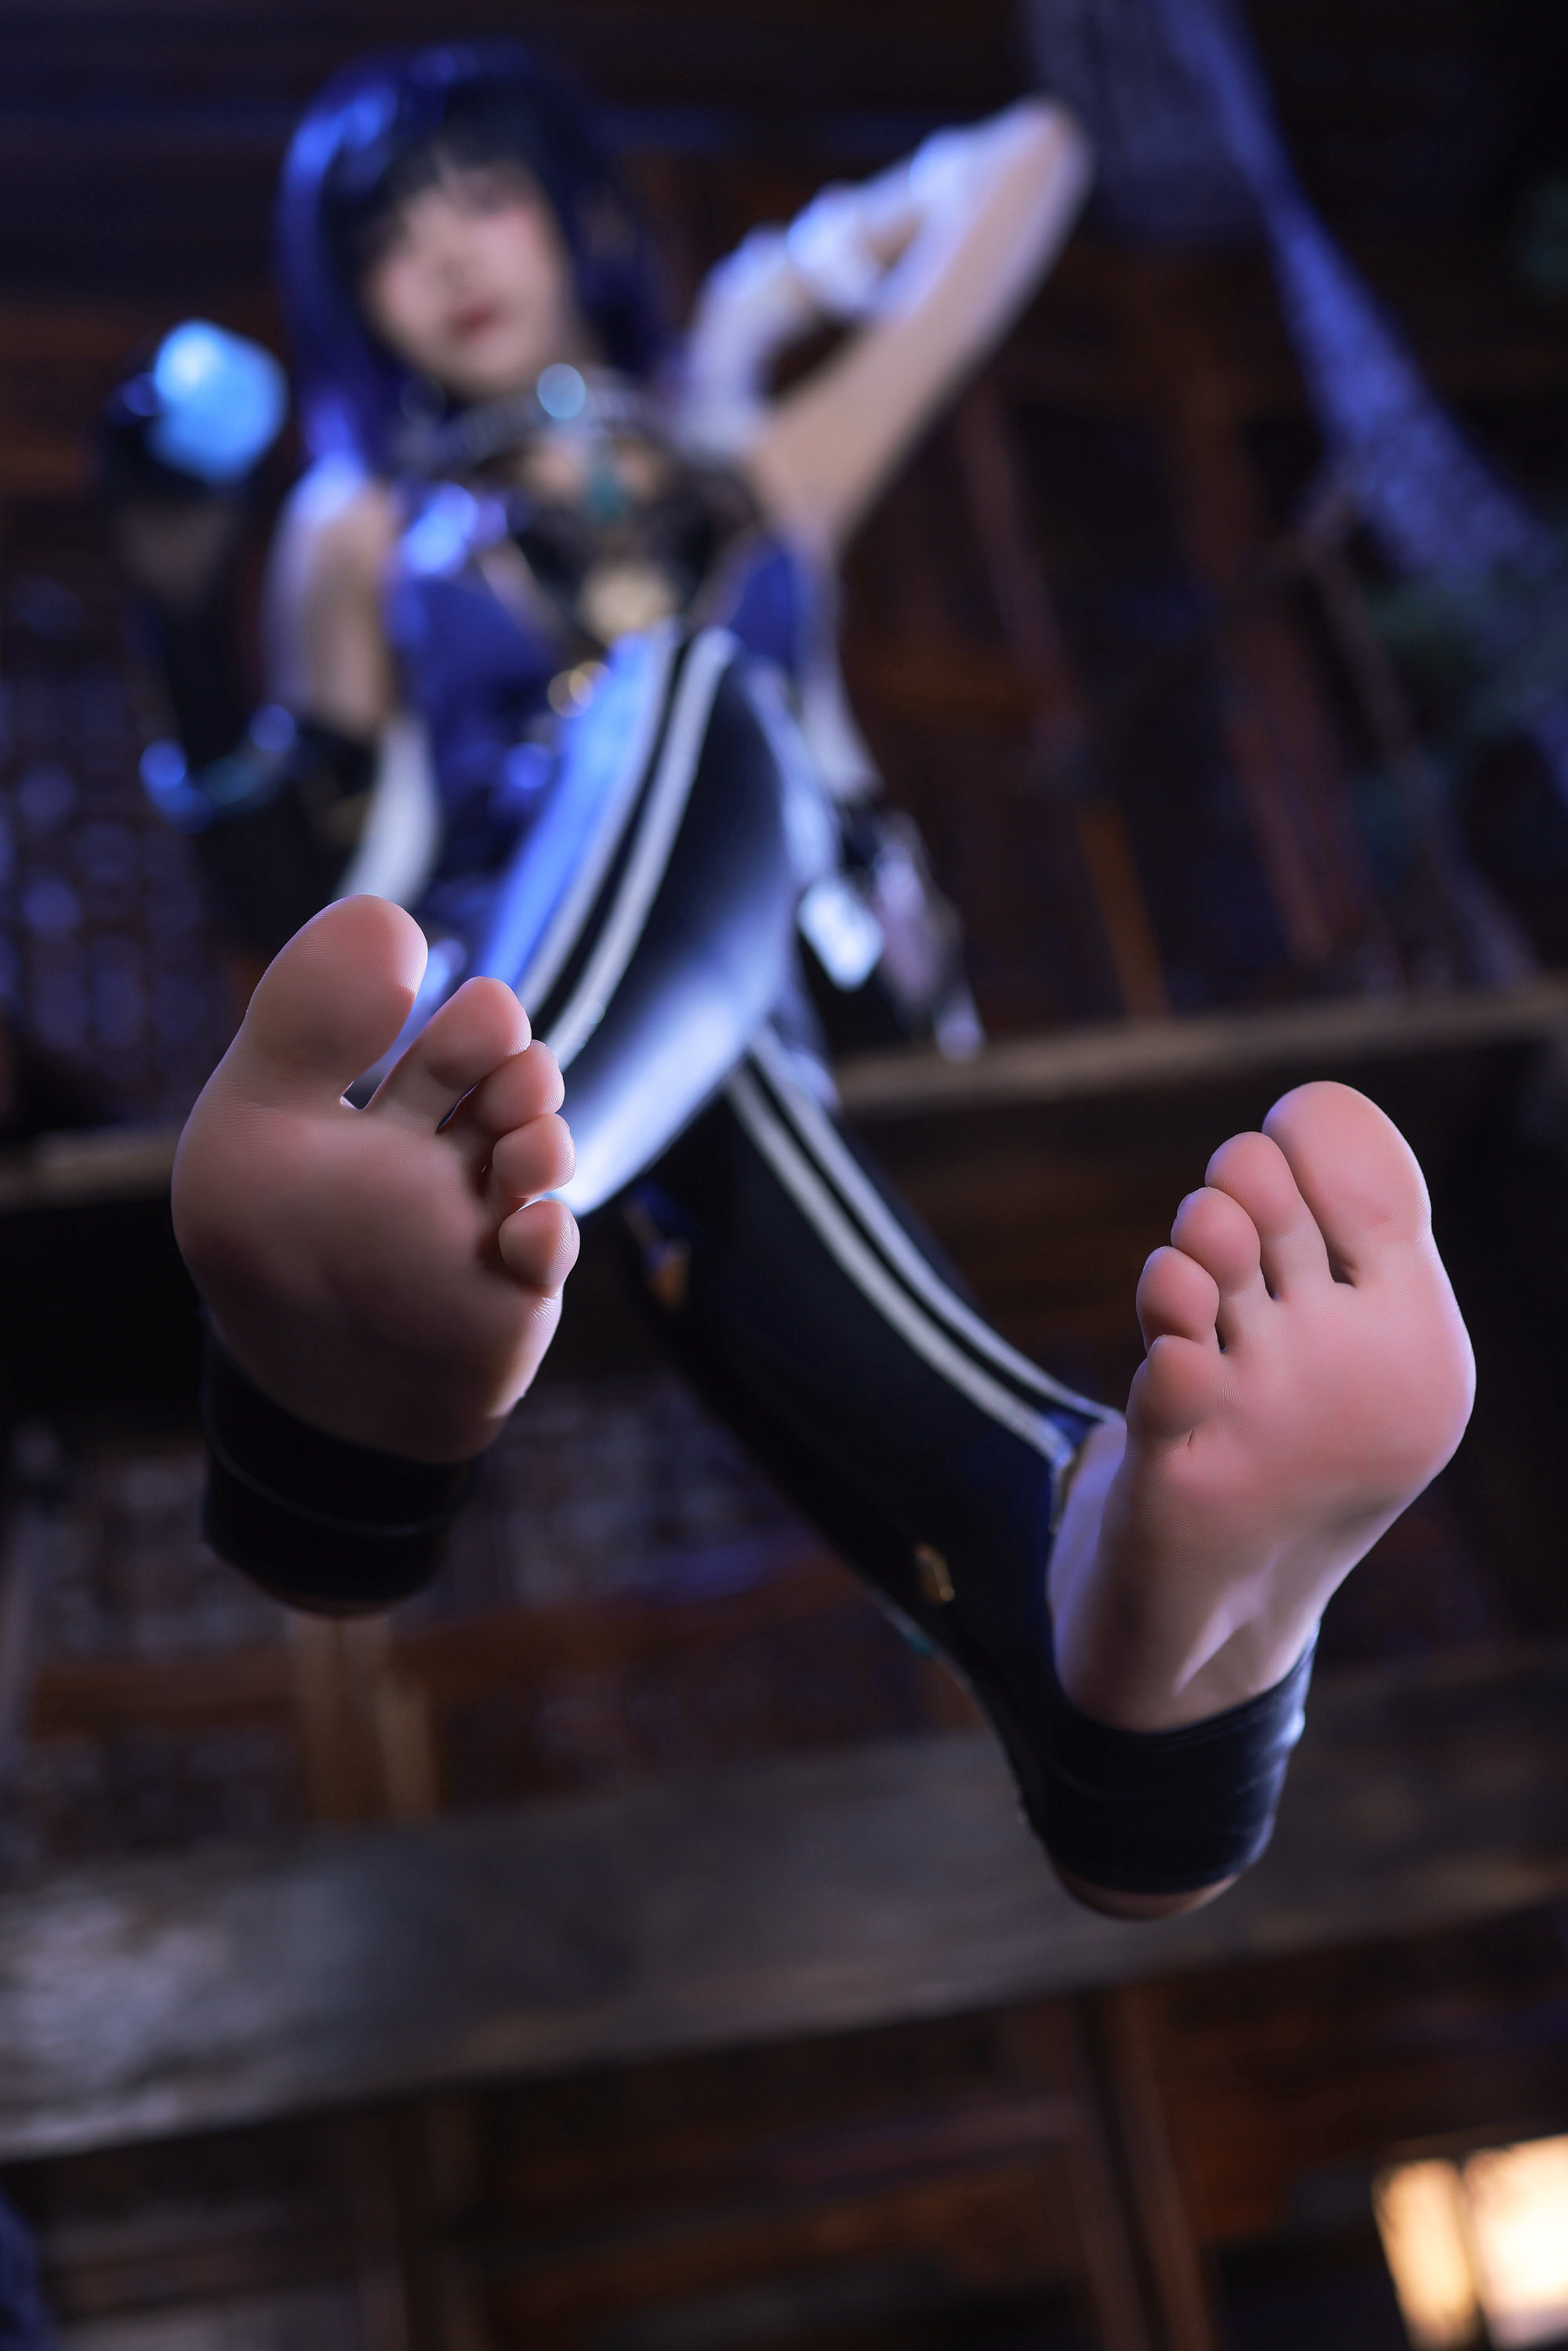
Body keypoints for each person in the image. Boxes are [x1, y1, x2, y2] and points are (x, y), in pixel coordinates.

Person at [134, 45, 1474, 1918]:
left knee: (693, 691)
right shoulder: (355, 525)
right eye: (391, 235)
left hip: (804, 966)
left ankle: (359, 1389)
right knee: (695, 1049)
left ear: (571, 213)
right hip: (530, 959)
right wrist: (183, 616)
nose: (446, 254)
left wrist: (778, 287)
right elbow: (295, 869)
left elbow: (1037, 154)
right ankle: (1098, 1633)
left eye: (485, 194)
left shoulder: (753, 458)